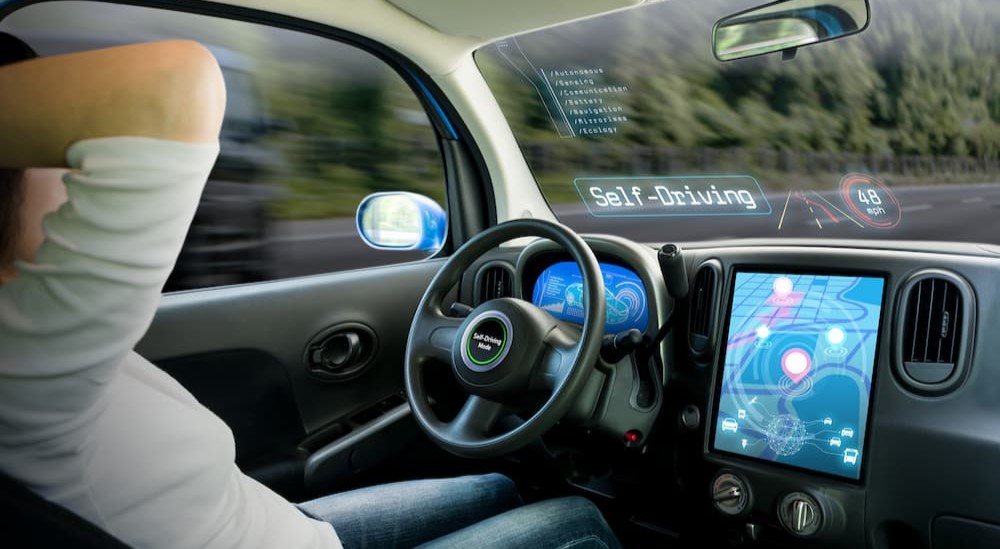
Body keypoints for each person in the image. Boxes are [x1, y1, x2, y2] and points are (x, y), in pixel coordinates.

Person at [0, 34, 624, 549]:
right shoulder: (27, 349)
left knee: (498, 487)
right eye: (51, 155)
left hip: (286, 530)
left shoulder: (38, 333)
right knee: (579, 525)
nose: (73, 172)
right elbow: (171, 82)